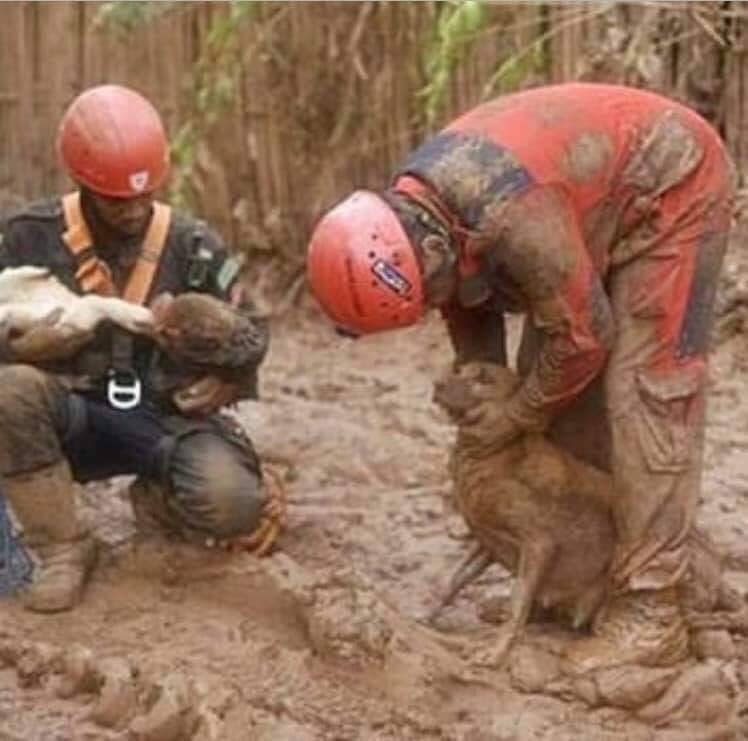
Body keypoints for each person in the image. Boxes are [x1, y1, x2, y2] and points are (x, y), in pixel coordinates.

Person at [306, 82, 735, 672]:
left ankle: (651, 611)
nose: (435, 307)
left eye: (429, 297)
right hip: (582, 204)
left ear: (431, 250)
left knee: (648, 396)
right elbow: (468, 312)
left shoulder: (514, 222)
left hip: (672, 185)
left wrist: (517, 414)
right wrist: (492, 408)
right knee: (554, 392)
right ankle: (583, 579)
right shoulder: (423, 218)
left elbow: (585, 337)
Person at [0, 84, 273, 613]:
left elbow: (252, 331)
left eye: (146, 196)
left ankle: (160, 501)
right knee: (9, 392)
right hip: (64, 416)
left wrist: (232, 380)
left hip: (161, 418)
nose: (134, 209)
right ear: (81, 182)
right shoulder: (24, 237)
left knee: (235, 504)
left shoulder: (194, 245)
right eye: (117, 199)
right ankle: (60, 547)